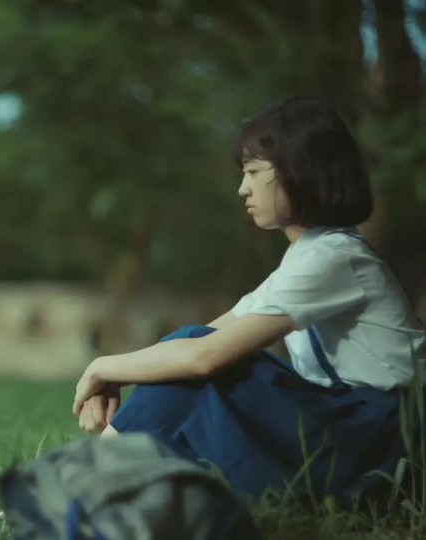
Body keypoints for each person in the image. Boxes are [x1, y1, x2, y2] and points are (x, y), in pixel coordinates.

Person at [73, 97, 426, 502]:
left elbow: (204, 356)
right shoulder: (310, 258)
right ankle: (98, 490)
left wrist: (101, 367)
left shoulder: (334, 257)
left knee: (197, 365)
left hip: (385, 440)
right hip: (358, 430)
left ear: (300, 169)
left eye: (254, 171)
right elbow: (200, 341)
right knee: (186, 360)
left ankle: (81, 492)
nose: (243, 188)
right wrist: (120, 374)